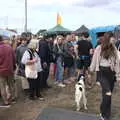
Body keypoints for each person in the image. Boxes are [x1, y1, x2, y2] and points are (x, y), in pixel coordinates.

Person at [90, 32, 120, 120]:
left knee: (107, 95)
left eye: (114, 38)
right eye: (112, 38)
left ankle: (107, 114)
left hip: (111, 74)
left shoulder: (114, 49)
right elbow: (95, 59)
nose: (114, 39)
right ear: (107, 38)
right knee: (108, 93)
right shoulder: (99, 48)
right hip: (102, 73)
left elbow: (117, 63)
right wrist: (91, 70)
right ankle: (102, 112)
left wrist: (118, 75)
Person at [0, 36, 16, 107]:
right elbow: (14, 58)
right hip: (10, 69)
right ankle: (13, 98)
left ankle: (6, 102)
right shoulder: (9, 47)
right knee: (11, 84)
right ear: (2, 39)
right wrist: (13, 66)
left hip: (1, 71)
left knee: (2, 86)